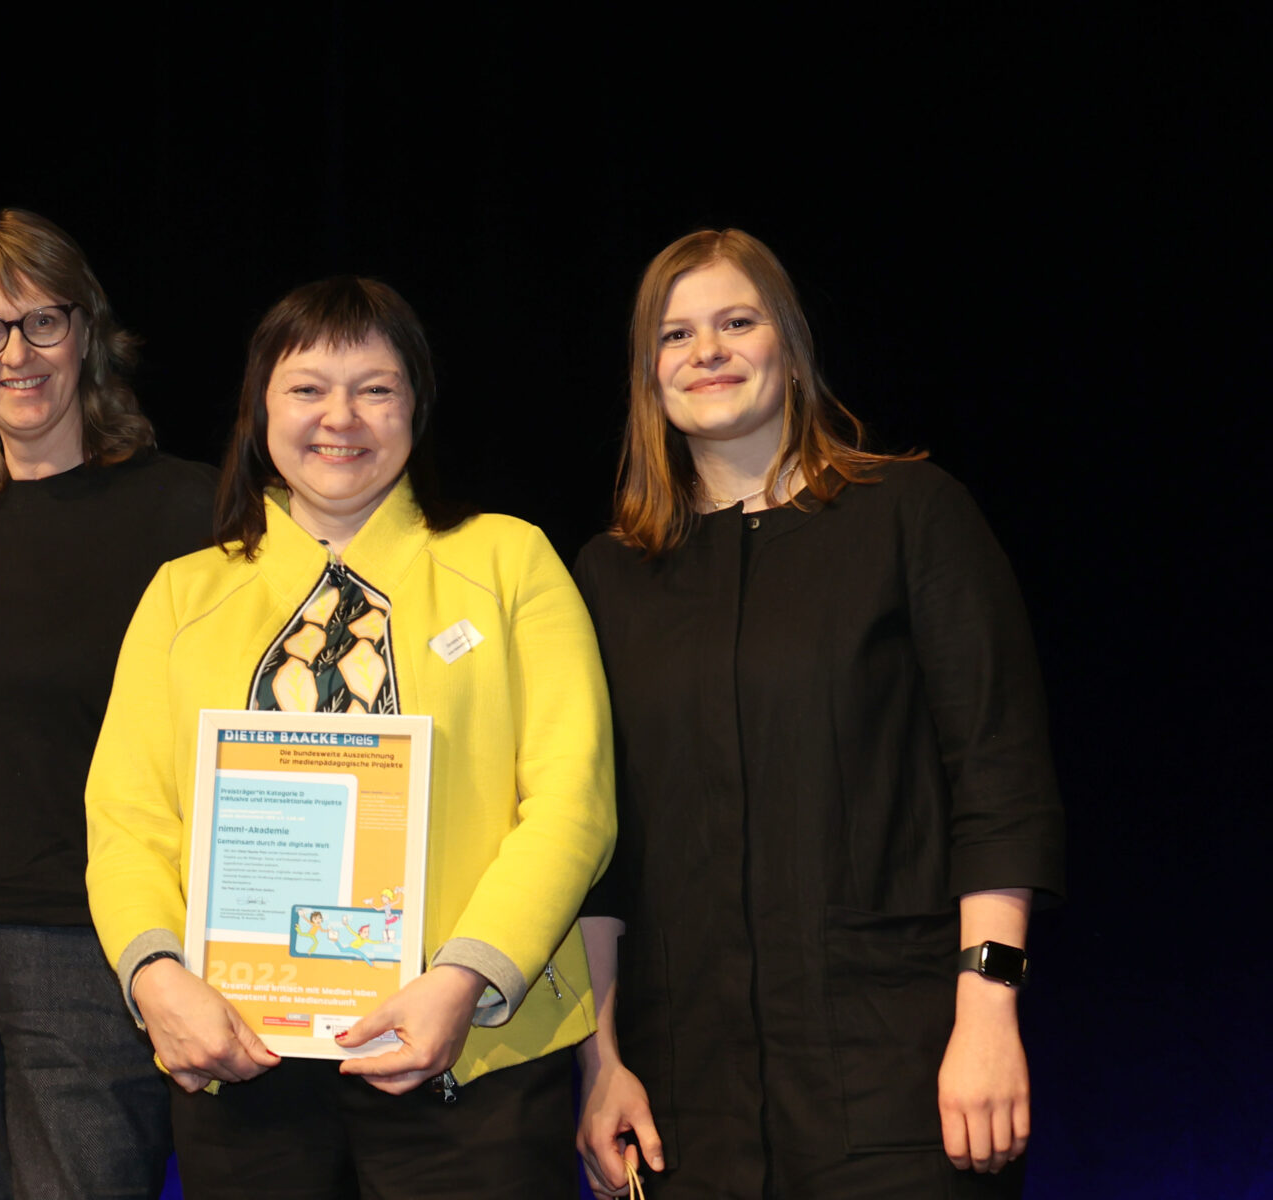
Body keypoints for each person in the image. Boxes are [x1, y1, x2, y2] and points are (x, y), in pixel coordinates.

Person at [85, 276, 616, 1198]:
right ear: (260, 411)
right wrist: (158, 977)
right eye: (307, 388)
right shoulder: (182, 593)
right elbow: (127, 818)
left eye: (376, 387)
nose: (342, 417)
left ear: (417, 406)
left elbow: (573, 801)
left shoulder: (510, 560)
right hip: (242, 1060)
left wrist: (464, 981)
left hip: (474, 1060)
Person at [572, 230, 1065, 1199]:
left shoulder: (909, 515)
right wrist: (599, 1062)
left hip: (897, 1071)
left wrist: (987, 1010)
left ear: (787, 345)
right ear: (647, 373)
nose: (705, 350)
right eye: (675, 334)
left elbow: (997, 780)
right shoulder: (609, 574)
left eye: (734, 322)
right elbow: (597, 847)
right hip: (683, 1094)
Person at [0, 209, 209, 1200]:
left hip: (85, 936)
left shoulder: (190, 509)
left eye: (40, 322)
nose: (14, 353)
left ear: (88, 332)